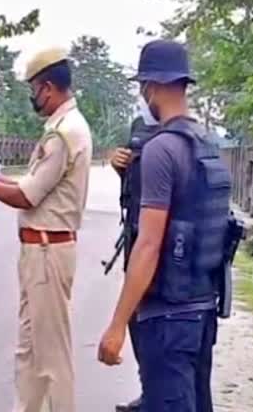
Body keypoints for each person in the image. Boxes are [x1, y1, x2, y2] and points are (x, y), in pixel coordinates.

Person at [98, 39, 233, 411]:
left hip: (166, 316)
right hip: (201, 310)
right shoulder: (205, 145)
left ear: (152, 86)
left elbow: (148, 245)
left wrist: (116, 326)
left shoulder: (161, 148)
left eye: (142, 87)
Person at [0, 47, 93, 412]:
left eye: (35, 90)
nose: (33, 98)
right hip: (39, 251)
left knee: (52, 356)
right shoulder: (63, 129)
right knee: (30, 352)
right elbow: (35, 184)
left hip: (48, 253)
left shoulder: (63, 134)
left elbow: (27, 195)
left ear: (49, 88)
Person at [109, 113, 159, 412]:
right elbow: (135, 187)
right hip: (134, 234)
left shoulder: (178, 137)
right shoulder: (139, 126)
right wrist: (121, 168)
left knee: (153, 320)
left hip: (155, 242)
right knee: (136, 319)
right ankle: (149, 391)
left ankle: (157, 395)